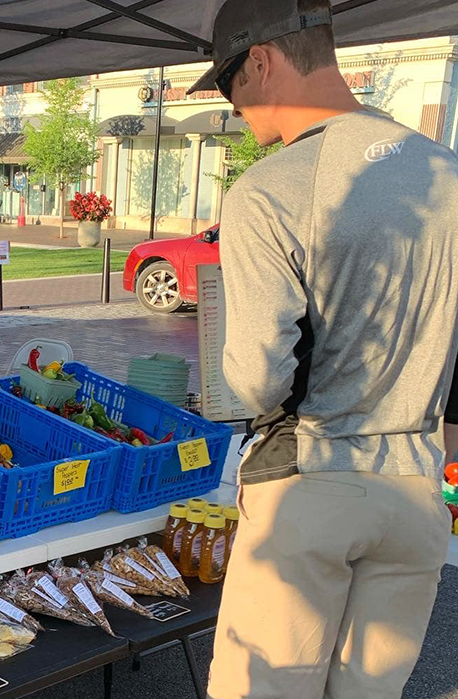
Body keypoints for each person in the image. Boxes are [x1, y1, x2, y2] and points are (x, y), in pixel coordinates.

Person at [193, 1, 458, 697]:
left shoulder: (269, 190)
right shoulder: (446, 172)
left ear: (262, 60)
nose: (233, 109)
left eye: (229, 85)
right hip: (418, 487)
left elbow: (254, 380)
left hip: (312, 480)